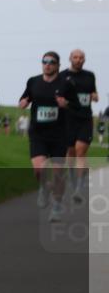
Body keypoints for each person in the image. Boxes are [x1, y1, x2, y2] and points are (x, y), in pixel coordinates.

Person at [18, 51, 79, 223]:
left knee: (59, 173)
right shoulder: (33, 81)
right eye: (45, 61)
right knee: (39, 169)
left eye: (52, 62)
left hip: (59, 135)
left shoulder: (67, 83)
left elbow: (77, 107)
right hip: (38, 134)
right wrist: (23, 102)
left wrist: (66, 103)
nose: (48, 64)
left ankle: (57, 206)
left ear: (58, 65)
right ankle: (44, 188)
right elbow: (25, 98)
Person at [60, 49, 99, 204]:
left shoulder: (90, 76)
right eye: (75, 57)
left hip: (85, 118)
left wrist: (95, 96)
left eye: (81, 57)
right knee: (70, 152)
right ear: (70, 58)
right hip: (68, 119)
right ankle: (74, 179)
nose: (78, 60)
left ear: (84, 60)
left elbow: (94, 93)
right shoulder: (62, 76)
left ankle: (78, 189)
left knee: (80, 152)